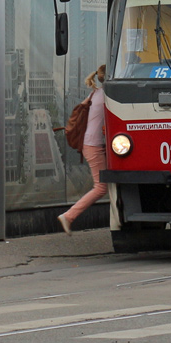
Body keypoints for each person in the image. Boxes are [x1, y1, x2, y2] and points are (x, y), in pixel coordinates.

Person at [58, 65, 107, 235]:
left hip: (90, 143)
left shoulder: (95, 93)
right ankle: (69, 216)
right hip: (94, 145)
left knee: (110, 182)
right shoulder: (107, 96)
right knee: (101, 187)